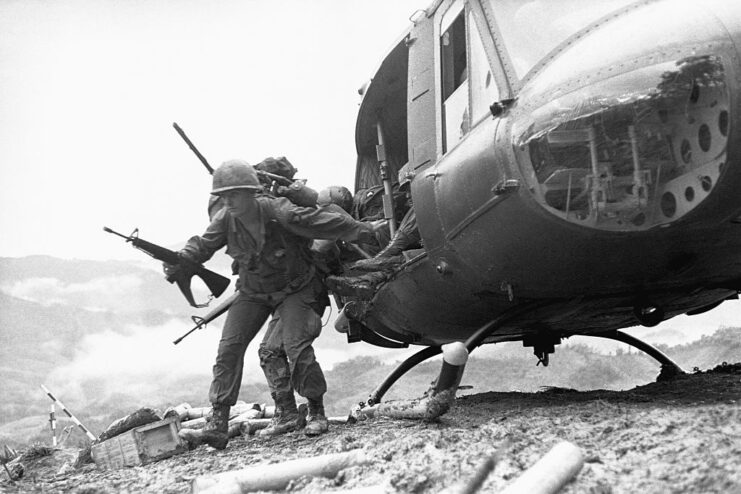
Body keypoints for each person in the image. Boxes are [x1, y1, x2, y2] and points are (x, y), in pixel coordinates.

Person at [165, 159, 380, 449]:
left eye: (235, 194)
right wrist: (182, 261)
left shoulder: (277, 210)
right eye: (224, 196)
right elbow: (202, 245)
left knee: (295, 346)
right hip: (253, 292)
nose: (229, 201)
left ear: (250, 192)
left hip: (294, 288)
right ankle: (217, 422)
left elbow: (319, 220)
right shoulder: (225, 219)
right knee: (228, 349)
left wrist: (364, 230)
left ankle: (316, 409)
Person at [325, 164, 421, 299]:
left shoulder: (366, 200)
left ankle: (380, 262)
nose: (407, 196)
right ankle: (370, 278)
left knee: (381, 230)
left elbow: (398, 200)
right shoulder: (354, 233)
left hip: (414, 231)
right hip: (413, 248)